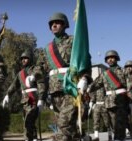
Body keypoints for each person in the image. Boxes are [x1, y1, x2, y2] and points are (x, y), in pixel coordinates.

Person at [36, 12, 91, 141]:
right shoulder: (47, 49)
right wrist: (34, 77)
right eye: (51, 24)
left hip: (70, 88)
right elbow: (40, 68)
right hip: (54, 91)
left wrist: (85, 78)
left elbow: (85, 60)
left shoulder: (74, 41)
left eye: (57, 23)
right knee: (70, 129)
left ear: (65, 25)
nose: (54, 25)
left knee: (63, 125)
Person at [2, 51, 46, 141]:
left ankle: (28, 138)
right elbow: (14, 85)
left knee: (28, 121)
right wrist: (8, 95)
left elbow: (41, 84)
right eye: (22, 59)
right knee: (28, 122)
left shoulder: (35, 69)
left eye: (25, 58)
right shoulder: (20, 73)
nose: (23, 60)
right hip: (24, 100)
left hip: (34, 99)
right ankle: (33, 138)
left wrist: (41, 99)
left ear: (30, 59)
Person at [87, 50, 129, 140]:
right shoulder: (104, 74)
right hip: (109, 103)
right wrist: (85, 87)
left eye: (112, 57)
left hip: (121, 101)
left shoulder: (123, 71)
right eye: (108, 58)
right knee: (114, 125)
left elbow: (130, 86)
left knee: (120, 125)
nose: (110, 60)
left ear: (116, 59)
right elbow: (96, 84)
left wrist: (130, 101)